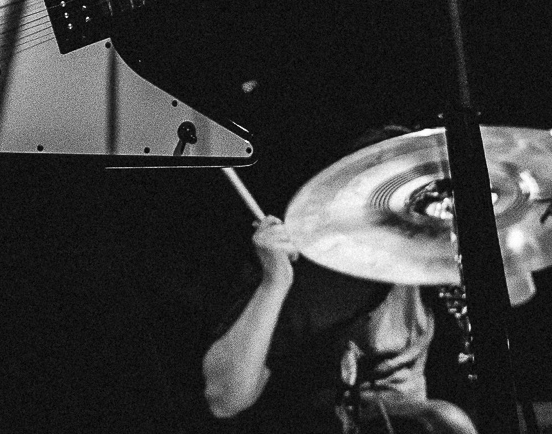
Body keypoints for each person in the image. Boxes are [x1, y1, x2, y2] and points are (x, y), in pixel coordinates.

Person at [204, 131, 478, 434]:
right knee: (446, 420)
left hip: (410, 418)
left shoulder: (422, 264)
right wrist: (274, 282)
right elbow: (224, 397)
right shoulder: (318, 280)